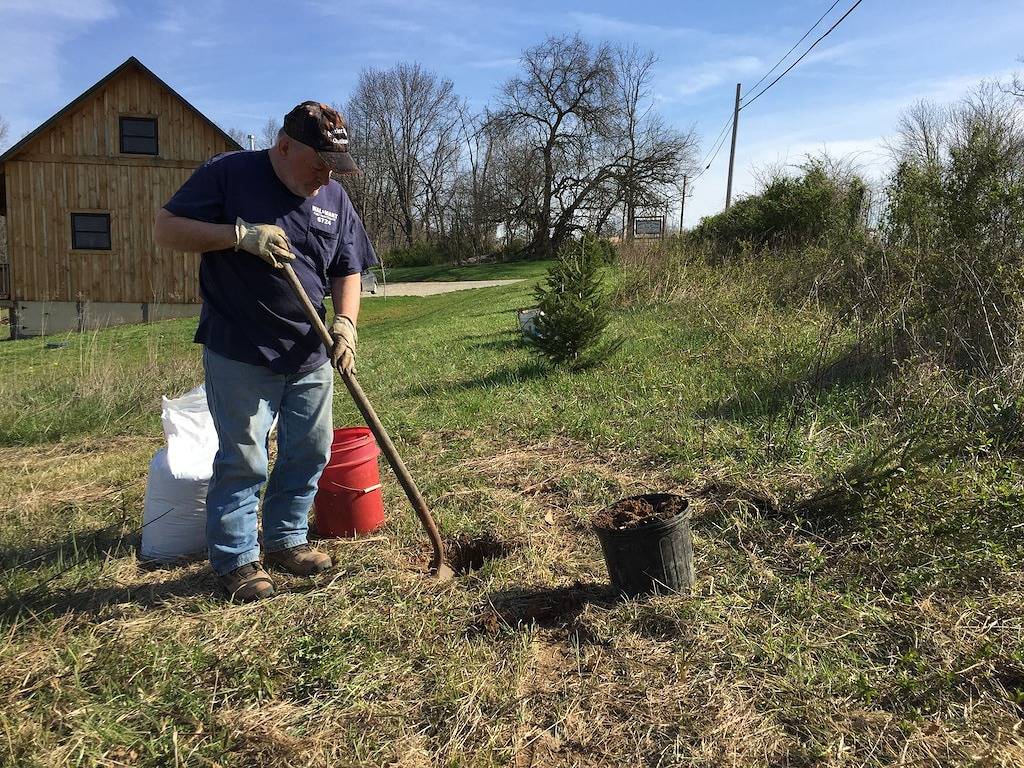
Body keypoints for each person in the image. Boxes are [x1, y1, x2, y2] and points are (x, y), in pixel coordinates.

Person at [153, 101, 377, 601]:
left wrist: (345, 322)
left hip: (311, 349)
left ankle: (285, 541)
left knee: (309, 450)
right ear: (284, 146)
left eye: (333, 167)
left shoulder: (334, 199)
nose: (324, 177)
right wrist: (237, 236)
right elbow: (166, 229)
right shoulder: (230, 174)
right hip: (240, 347)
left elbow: (347, 268)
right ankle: (236, 560)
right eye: (318, 163)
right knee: (245, 458)